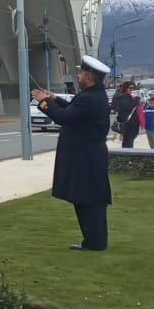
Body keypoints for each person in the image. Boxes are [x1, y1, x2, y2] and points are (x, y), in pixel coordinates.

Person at [29, 55, 113, 251]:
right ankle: (92, 241)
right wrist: (55, 98)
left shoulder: (90, 97)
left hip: (86, 156)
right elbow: (74, 111)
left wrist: (44, 103)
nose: (78, 75)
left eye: (81, 73)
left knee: (88, 199)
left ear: (89, 76)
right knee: (84, 197)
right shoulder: (91, 95)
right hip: (86, 154)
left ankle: (94, 242)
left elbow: (64, 117)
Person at [110, 81, 141, 148]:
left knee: (128, 141)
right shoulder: (121, 96)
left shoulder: (126, 96)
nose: (131, 90)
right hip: (129, 124)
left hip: (132, 123)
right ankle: (127, 156)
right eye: (130, 88)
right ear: (125, 88)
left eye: (132, 88)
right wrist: (136, 100)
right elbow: (128, 107)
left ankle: (126, 155)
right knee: (128, 143)